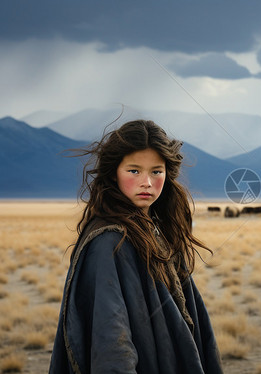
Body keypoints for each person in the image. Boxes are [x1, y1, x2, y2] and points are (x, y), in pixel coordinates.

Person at [49, 120, 223, 373]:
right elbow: (112, 342)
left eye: (156, 171)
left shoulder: (157, 231)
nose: (147, 182)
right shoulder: (108, 241)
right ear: (114, 172)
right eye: (134, 171)